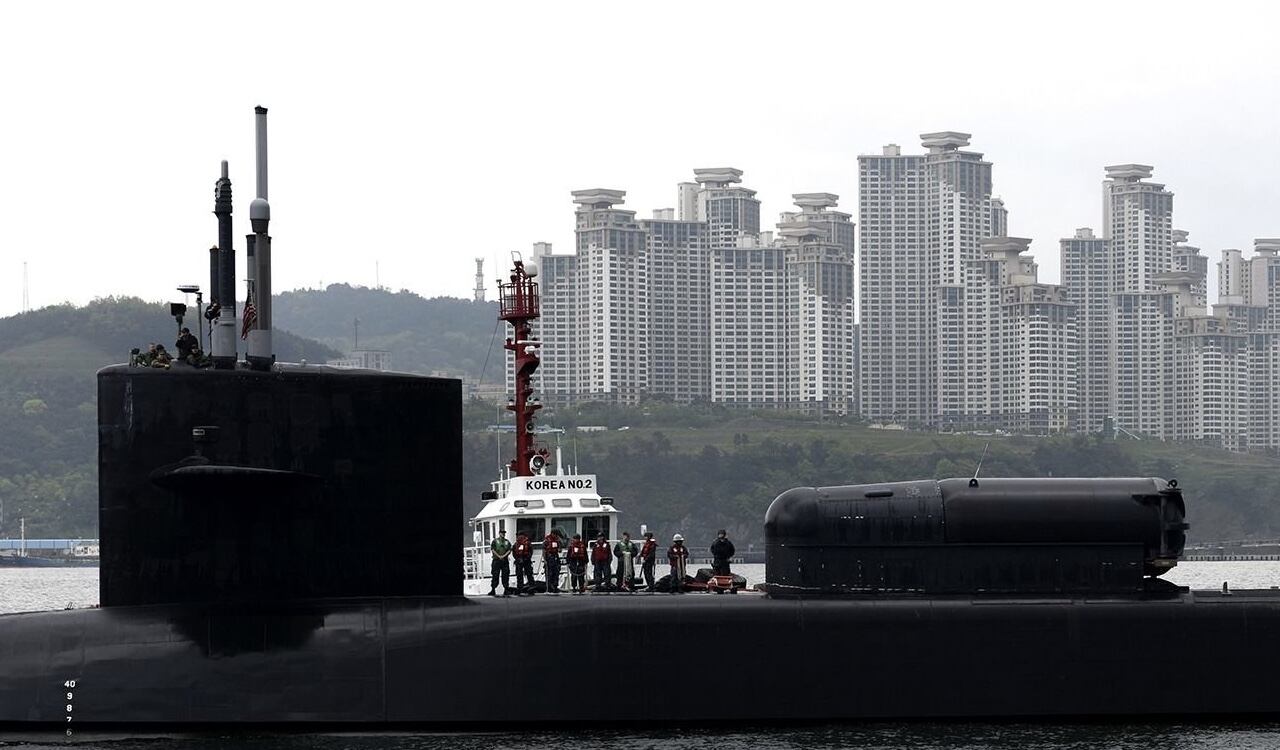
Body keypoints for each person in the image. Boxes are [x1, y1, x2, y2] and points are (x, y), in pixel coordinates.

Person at [489, 530, 512, 596]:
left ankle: (506, 589)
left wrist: (503, 556)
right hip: (496, 560)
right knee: (495, 575)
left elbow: (509, 550)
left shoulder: (507, 542)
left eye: (504, 533)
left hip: (504, 560)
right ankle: (493, 589)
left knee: (505, 575)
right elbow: (493, 549)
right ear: (499, 533)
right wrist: (499, 556)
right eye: (502, 533)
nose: (503, 534)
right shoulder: (495, 541)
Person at [542, 529, 563, 593]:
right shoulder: (547, 540)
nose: (556, 536)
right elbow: (544, 550)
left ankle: (555, 586)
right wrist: (545, 559)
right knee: (549, 573)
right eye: (556, 535)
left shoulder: (557, 540)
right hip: (549, 558)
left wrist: (559, 546)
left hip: (556, 557)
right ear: (553, 534)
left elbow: (560, 549)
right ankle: (549, 587)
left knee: (556, 572)